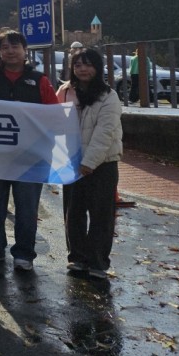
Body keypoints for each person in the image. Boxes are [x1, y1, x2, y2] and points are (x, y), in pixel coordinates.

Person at [0, 30, 59, 271]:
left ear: (25, 50)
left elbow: (55, 115)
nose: (10, 51)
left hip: (30, 157)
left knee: (27, 207)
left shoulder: (39, 80)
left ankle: (24, 253)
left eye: (15, 46)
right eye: (5, 47)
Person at [57, 48, 123, 281]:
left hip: (102, 164)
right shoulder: (65, 91)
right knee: (73, 212)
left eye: (88, 65)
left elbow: (105, 132)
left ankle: (97, 261)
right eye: (77, 65)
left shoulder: (108, 96)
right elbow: (51, 120)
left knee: (101, 214)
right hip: (71, 163)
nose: (82, 69)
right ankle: (77, 257)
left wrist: (89, 162)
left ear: (98, 68)